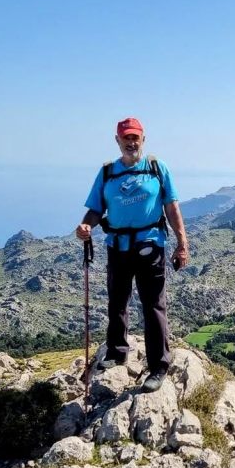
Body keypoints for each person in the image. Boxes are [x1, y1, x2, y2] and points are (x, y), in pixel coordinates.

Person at [75, 117, 190, 393]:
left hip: (150, 245)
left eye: (135, 137)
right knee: (117, 300)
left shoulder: (156, 168)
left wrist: (182, 243)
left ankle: (159, 366)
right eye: (126, 137)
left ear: (143, 139)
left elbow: (172, 208)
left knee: (153, 306)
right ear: (117, 140)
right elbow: (95, 208)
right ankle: (116, 352)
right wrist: (86, 225)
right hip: (118, 247)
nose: (131, 141)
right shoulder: (107, 173)